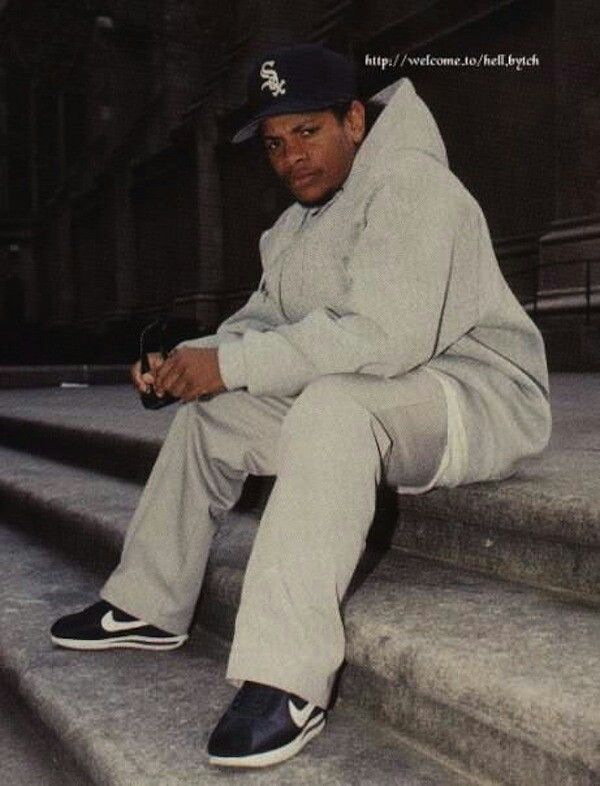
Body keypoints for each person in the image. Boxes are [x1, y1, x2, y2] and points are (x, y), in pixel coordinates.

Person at [50, 44, 551, 768]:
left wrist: (232, 363)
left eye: (307, 132)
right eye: (276, 144)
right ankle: (148, 602)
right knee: (215, 413)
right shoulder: (292, 228)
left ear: (353, 118)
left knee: (333, 408)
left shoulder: (415, 185)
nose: (290, 159)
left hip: (472, 398)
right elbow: (257, 326)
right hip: (379, 394)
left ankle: (286, 678)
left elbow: (384, 338)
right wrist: (189, 364)